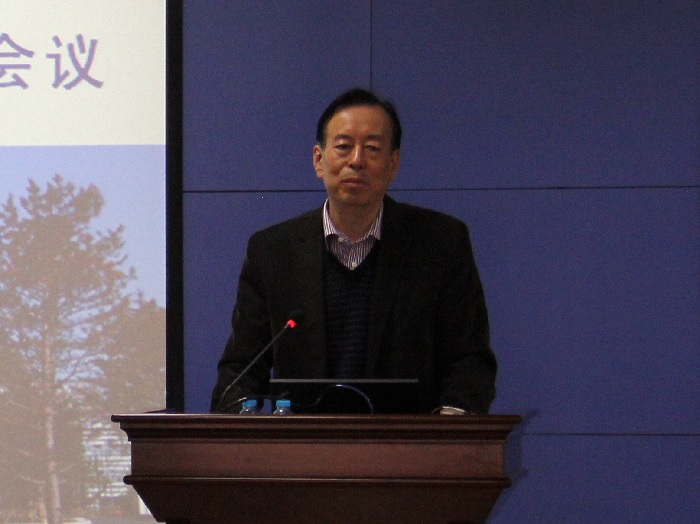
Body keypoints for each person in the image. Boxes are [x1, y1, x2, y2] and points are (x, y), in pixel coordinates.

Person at [210, 88, 496, 414]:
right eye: (343, 147)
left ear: (393, 164)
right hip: (304, 442)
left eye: (372, 148)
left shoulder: (440, 244)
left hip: (410, 440)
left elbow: (470, 360)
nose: (356, 161)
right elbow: (241, 369)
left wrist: (451, 423)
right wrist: (236, 419)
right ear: (319, 159)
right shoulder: (273, 252)